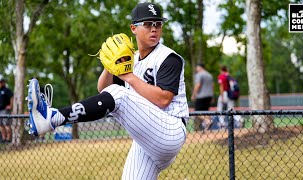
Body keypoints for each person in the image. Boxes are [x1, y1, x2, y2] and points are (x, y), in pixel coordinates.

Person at [26, 2, 189, 179]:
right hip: (145, 140)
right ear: (133, 28)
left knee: (120, 94)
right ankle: (50, 118)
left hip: (170, 130)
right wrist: (110, 65)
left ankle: (54, 118)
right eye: (148, 24)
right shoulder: (131, 59)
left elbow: (163, 100)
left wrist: (128, 76)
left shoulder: (168, 58)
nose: (154, 29)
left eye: (158, 24)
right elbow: (104, 91)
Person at [191, 63, 214, 131]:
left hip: (201, 96)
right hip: (209, 95)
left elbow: (198, 85)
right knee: (206, 111)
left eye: (197, 68)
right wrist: (212, 96)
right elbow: (212, 86)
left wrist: (194, 94)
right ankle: (208, 126)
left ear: (200, 67)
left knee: (197, 112)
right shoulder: (209, 75)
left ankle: (207, 121)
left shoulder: (199, 74)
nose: (196, 69)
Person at [0, 78, 13, 143]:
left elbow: (11, 97)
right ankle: (3, 138)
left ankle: (8, 139)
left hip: (5, 110)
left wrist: (11, 105)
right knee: (1, 125)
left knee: (7, 124)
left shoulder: (6, 90)